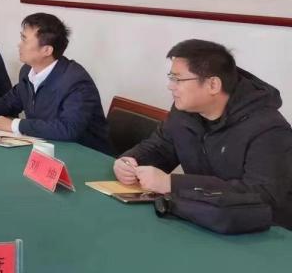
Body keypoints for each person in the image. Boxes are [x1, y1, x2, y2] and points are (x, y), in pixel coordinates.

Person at [113, 40, 292, 229]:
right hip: (204, 219)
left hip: (263, 233)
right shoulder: (184, 112)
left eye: (178, 79)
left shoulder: (269, 129)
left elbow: (264, 196)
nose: (170, 86)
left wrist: (173, 184)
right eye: (171, 78)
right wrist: (130, 161)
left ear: (213, 85)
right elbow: (160, 147)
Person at [0, 12, 111, 154]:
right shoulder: (28, 70)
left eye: (24, 40)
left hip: (88, 156)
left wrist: (14, 125)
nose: (19, 44)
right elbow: (9, 102)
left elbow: (68, 129)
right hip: (46, 149)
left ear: (47, 50)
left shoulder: (76, 82)